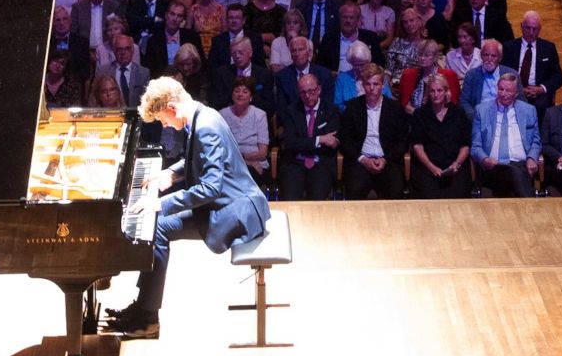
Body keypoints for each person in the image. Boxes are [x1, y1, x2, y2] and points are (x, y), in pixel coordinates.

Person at [105, 76, 270, 339]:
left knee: (158, 227)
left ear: (171, 107)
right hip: (230, 201)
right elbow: (195, 158)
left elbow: (210, 188)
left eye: (162, 120)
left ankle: (148, 318)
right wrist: (169, 174)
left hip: (234, 211)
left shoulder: (205, 127)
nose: (165, 125)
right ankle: (143, 308)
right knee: (157, 225)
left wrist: (161, 203)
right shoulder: (204, 114)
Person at [338, 63, 407, 199]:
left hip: (388, 161)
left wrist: (385, 159)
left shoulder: (395, 108)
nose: (372, 88)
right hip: (360, 161)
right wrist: (363, 159)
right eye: (368, 84)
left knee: (396, 191)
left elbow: (403, 142)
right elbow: (345, 140)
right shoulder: (353, 107)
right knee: (354, 189)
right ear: (363, 85)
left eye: (376, 84)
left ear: (383, 85)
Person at [472, 69, 541, 197]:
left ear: (516, 93)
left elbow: (536, 142)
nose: (503, 94)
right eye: (501, 89)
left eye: (508, 91)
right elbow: (475, 146)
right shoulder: (482, 110)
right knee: (513, 172)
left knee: (514, 171)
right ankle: (530, 205)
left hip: (521, 165)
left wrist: (532, 158)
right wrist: (485, 159)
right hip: (493, 166)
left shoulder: (529, 110)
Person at [275, 70, 340, 201]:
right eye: (303, 92)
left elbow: (332, 143)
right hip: (295, 163)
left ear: (319, 89)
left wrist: (303, 142)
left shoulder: (331, 111)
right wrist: (319, 139)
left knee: (317, 198)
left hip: (321, 163)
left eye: (311, 91)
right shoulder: (291, 111)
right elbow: (289, 143)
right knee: (290, 197)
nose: (308, 96)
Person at [410, 69, 472, 197]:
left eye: (439, 91)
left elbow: (465, 145)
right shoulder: (420, 114)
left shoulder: (458, 113)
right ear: (428, 93)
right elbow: (417, 146)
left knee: (458, 193)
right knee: (428, 193)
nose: (435, 95)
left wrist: (457, 163)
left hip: (455, 167)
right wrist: (432, 168)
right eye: (432, 91)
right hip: (427, 168)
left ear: (446, 92)